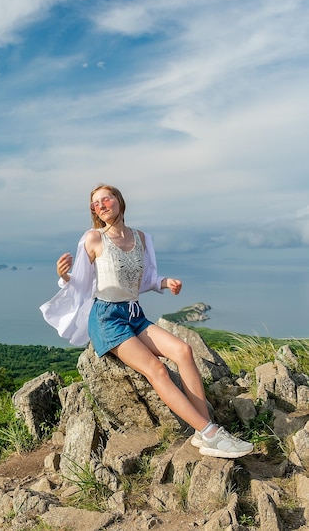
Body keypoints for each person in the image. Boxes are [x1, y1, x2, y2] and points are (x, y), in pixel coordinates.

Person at [40, 184, 253, 459]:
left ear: (119, 201)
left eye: (106, 198)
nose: (101, 205)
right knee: (157, 370)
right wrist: (64, 274)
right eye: (95, 203)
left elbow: (144, 279)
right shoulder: (92, 239)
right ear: (94, 211)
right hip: (107, 319)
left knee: (183, 351)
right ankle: (213, 434)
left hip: (134, 314)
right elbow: (82, 283)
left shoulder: (141, 238)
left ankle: (205, 432)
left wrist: (165, 282)